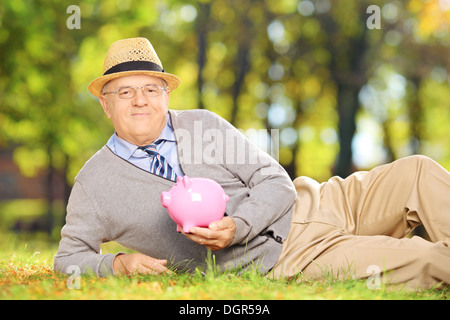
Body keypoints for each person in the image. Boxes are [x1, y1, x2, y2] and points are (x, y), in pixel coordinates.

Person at [54, 37, 450, 289]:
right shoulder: (94, 183)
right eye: (125, 92)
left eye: (150, 88)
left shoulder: (203, 124)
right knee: (428, 260)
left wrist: (238, 226)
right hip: (289, 258)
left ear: (165, 95)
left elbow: (273, 179)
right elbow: (68, 260)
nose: (140, 100)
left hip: (321, 202)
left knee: (417, 170)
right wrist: (119, 264)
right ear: (105, 105)